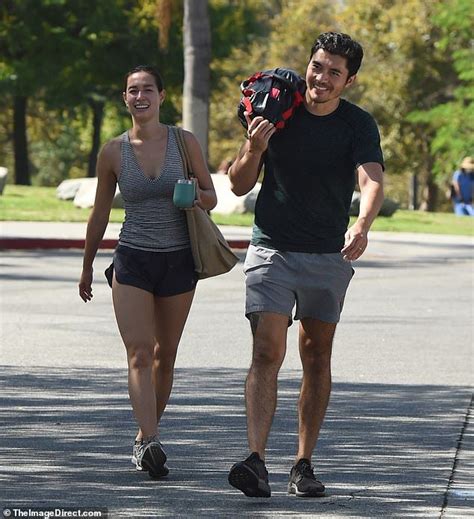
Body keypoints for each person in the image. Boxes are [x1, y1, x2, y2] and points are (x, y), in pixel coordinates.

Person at [227, 32, 384, 498]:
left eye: (335, 72)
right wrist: (254, 147)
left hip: (325, 255)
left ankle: (302, 463)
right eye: (318, 66)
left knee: (315, 356)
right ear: (308, 65)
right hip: (272, 249)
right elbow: (238, 185)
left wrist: (362, 224)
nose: (322, 77)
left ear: (349, 80)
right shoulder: (279, 109)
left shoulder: (357, 124)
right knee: (266, 352)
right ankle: (256, 460)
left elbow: (371, 178)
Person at [78, 65, 217, 479]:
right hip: (133, 259)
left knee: (165, 355)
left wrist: (194, 198)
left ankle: (142, 438)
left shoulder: (183, 141)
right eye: (132, 91)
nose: (140, 97)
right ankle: (153, 443)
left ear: (161, 96)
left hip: (178, 260)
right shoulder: (112, 152)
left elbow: (211, 196)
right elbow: (100, 212)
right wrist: (86, 266)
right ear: (126, 98)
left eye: (147, 90)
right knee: (139, 352)